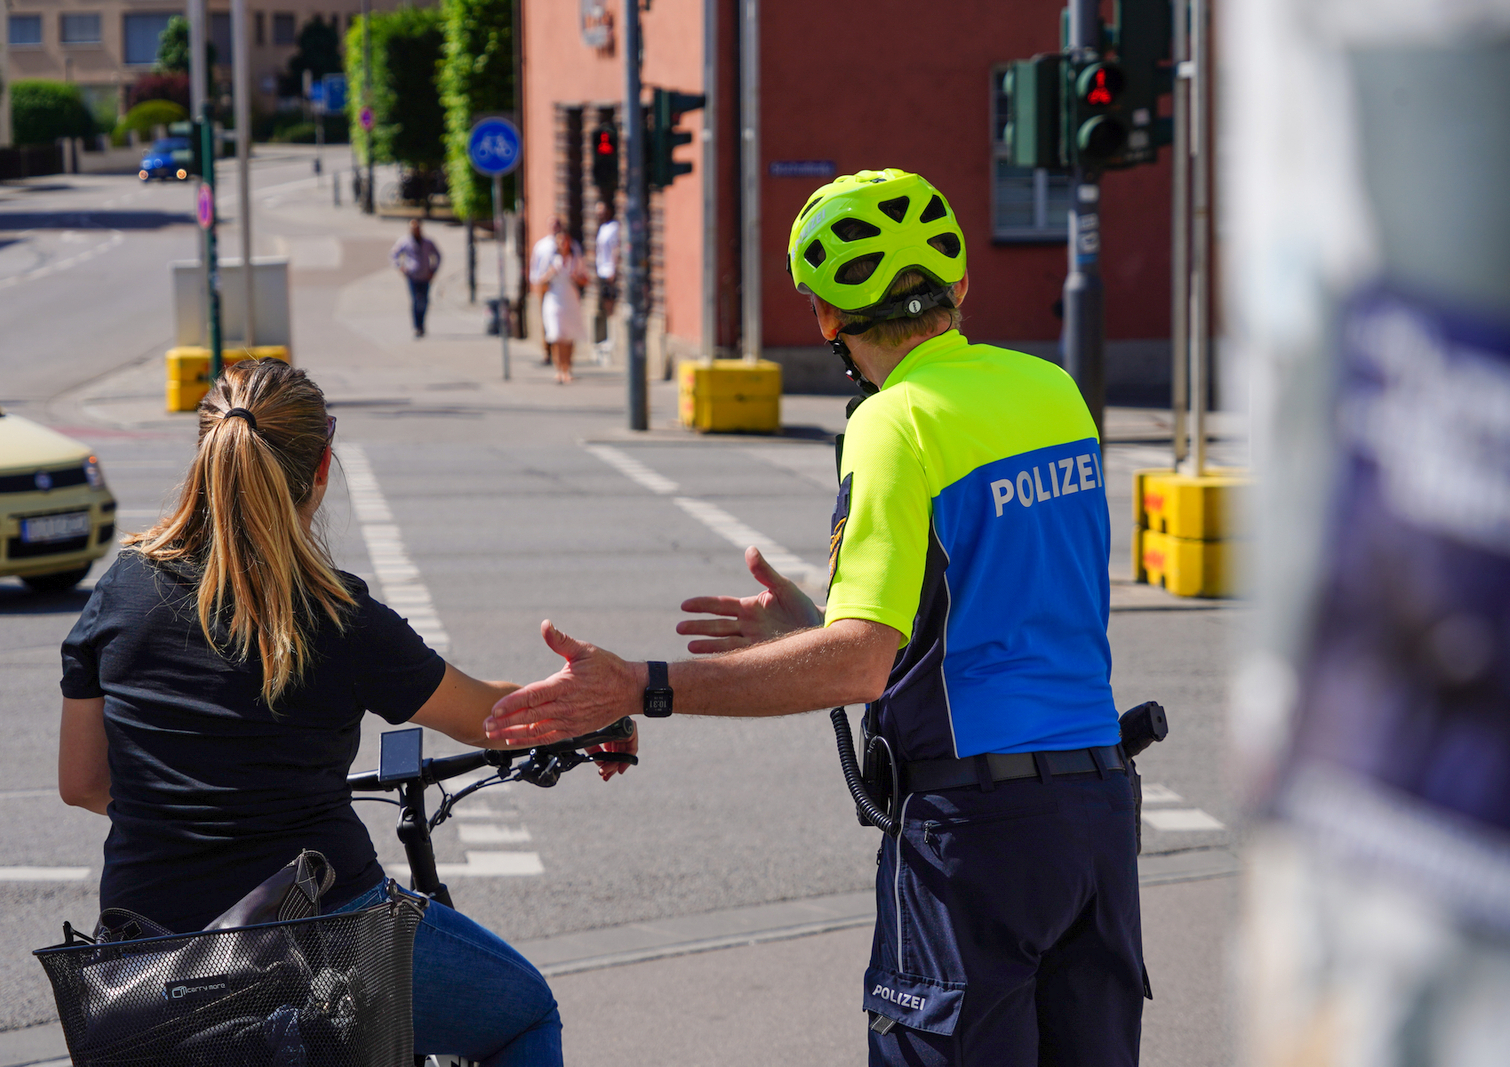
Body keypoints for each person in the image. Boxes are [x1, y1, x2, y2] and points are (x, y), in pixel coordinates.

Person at [482, 169, 1145, 1065]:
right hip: (1097, 813)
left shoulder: (894, 421)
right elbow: (1007, 593)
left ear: (829, 321)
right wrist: (817, 622)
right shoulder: (1052, 391)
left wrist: (641, 686)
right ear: (958, 290)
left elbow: (859, 667)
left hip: (978, 836)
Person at [57, 359, 632, 1066]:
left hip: (150, 956)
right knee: (522, 1012)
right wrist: (600, 707)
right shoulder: (335, 614)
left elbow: (81, 782)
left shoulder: (120, 589)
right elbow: (493, 717)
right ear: (321, 468)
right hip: (323, 937)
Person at [533, 228, 589, 385]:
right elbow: (539, 280)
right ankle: (559, 369)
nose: (562, 243)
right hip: (554, 299)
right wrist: (550, 273)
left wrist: (577, 278)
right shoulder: (550, 260)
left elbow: (585, 279)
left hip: (570, 299)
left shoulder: (575, 259)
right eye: (559, 240)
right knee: (556, 335)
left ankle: (568, 369)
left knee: (569, 336)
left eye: (565, 240)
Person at [529, 217, 579, 366]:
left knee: (567, 328)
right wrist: (543, 279)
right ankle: (548, 353)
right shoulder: (542, 246)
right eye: (552, 225)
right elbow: (535, 270)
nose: (555, 227)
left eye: (557, 224)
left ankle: (566, 364)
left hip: (568, 292)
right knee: (550, 324)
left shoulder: (573, 246)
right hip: (548, 289)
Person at [391, 218, 442, 338]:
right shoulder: (404, 242)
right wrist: (400, 267)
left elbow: (438, 255)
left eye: (417, 228)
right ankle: (416, 326)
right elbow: (394, 254)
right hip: (412, 276)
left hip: (425, 276)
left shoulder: (428, 242)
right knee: (415, 301)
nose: (415, 230)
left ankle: (422, 324)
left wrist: (433, 270)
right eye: (413, 228)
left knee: (424, 301)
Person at [593, 202, 620, 360]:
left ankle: (613, 337)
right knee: (604, 303)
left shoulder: (614, 227)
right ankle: (607, 336)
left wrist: (614, 269)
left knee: (611, 304)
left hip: (610, 271)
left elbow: (616, 248)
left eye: (602, 212)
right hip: (601, 270)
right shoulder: (602, 228)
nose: (600, 215)